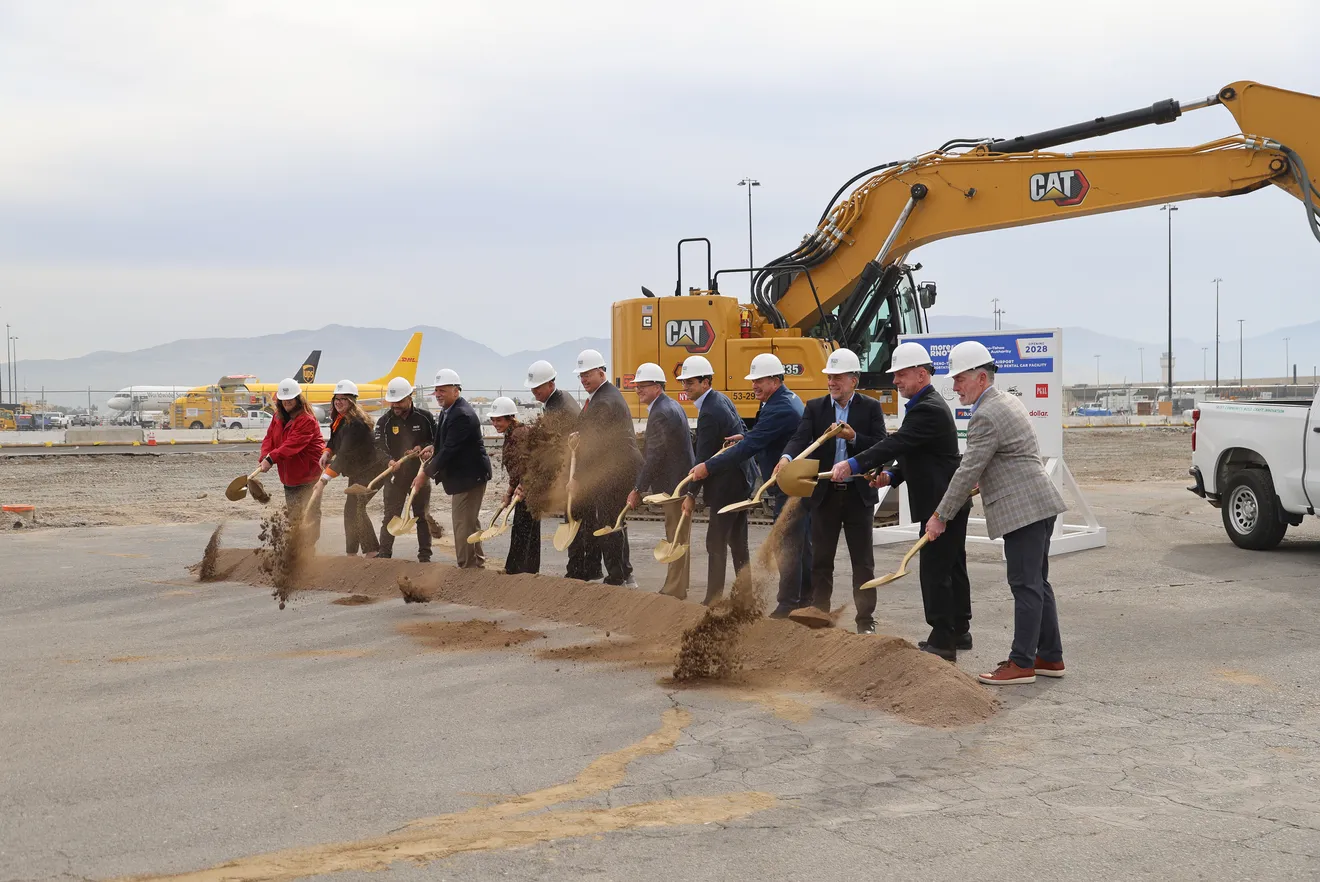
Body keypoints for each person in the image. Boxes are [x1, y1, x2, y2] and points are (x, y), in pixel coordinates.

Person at [925, 340, 1068, 685]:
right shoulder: (1008, 402)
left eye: (960, 379)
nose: (955, 387)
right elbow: (1005, 461)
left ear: (980, 378)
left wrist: (940, 515)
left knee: (1025, 585)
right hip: (1038, 504)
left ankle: (1021, 663)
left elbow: (968, 470)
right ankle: (1049, 656)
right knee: (1037, 583)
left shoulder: (986, 414)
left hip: (1025, 511)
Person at [831, 342, 972, 657]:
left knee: (937, 570)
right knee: (953, 567)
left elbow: (897, 445)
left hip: (941, 504)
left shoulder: (928, 409)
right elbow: (915, 452)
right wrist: (893, 477)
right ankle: (960, 630)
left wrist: (852, 464)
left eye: (901, 375)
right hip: (950, 500)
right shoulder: (926, 405)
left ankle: (942, 640)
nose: (894, 381)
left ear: (921, 374)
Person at [687, 352, 807, 617]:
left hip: (788, 485)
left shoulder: (780, 408)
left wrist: (708, 466)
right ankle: (799, 599)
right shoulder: (778, 401)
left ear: (775, 381)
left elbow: (751, 447)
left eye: (759, 381)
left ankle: (789, 603)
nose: (754, 386)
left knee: (788, 544)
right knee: (791, 542)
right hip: (785, 482)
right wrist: (747, 435)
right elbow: (761, 436)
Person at [776, 349, 887, 634]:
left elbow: (881, 448)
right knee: (822, 560)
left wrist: (853, 438)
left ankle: (865, 620)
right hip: (825, 496)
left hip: (857, 496)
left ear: (853, 380)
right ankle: (819, 613)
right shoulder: (815, 408)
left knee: (862, 561)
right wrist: (786, 459)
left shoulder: (870, 408)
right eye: (829, 377)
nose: (832, 382)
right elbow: (800, 438)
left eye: (837, 377)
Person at [678, 355, 754, 606]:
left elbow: (703, 457)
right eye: (684, 382)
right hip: (740, 481)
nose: (685, 387)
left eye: (690, 382)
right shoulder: (720, 399)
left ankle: (713, 598)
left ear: (706, 382)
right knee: (738, 542)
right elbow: (742, 431)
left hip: (727, 486)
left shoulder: (709, 411)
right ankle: (745, 597)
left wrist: (690, 494)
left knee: (716, 541)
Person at [569, 348, 642, 586]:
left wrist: (578, 477)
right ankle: (624, 572)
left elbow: (594, 446)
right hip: (613, 468)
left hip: (614, 472)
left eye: (587, 374)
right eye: (580, 376)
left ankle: (617, 576)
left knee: (609, 522)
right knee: (613, 520)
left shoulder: (605, 402)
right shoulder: (601, 397)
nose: (584, 380)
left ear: (601, 372)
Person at [628, 362, 695, 598]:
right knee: (680, 534)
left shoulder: (660, 413)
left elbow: (654, 455)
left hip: (673, 486)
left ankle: (674, 589)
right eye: (636, 386)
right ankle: (679, 585)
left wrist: (638, 488)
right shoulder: (671, 406)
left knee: (675, 536)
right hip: (680, 481)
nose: (638, 390)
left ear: (657, 387)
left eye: (642, 386)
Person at [415, 369, 492, 569]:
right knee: (469, 522)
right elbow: (446, 443)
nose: (438, 394)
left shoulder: (461, 415)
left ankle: (467, 567)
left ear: (456, 391)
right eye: (436, 390)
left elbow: (450, 450)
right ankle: (476, 563)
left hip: (470, 477)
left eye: (443, 390)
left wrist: (425, 473)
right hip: (465, 476)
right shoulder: (450, 410)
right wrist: (434, 447)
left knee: (462, 525)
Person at [319, 380, 386, 557]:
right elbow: (334, 442)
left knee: (355, 508)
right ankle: (352, 553)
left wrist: (324, 479)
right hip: (357, 472)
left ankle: (371, 552)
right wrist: (327, 452)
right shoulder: (339, 419)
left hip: (373, 471)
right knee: (352, 510)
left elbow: (344, 455)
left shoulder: (356, 423)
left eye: (344, 399)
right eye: (336, 399)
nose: (339, 402)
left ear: (352, 401)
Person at [373, 377, 438, 561]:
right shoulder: (384, 421)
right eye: (393, 402)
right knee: (390, 516)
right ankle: (385, 554)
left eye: (400, 401)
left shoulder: (425, 417)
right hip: (395, 478)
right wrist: (389, 461)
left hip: (419, 476)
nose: (396, 405)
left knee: (421, 516)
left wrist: (424, 449)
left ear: (410, 397)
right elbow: (378, 446)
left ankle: (425, 556)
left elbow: (436, 442)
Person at [258, 378, 326, 541]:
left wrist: (271, 458)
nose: (287, 402)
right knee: (295, 515)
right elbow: (269, 438)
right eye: (284, 399)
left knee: (310, 514)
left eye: (291, 398)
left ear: (298, 399)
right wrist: (264, 456)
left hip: (309, 475)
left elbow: (292, 444)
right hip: (290, 476)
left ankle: (309, 550)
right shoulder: (277, 417)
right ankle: (296, 547)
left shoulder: (307, 420)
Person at [489, 396, 538, 575]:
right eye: (493, 419)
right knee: (526, 529)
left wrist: (523, 485)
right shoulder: (512, 433)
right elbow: (517, 468)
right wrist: (509, 492)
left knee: (523, 529)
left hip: (530, 487)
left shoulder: (519, 434)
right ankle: (527, 570)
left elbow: (531, 462)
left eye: (499, 419)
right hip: (523, 486)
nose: (495, 423)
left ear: (510, 418)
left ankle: (517, 571)